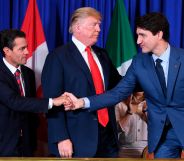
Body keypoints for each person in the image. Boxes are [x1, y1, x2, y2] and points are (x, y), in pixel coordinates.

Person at [64, 12, 184, 158]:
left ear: (159, 34)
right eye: (137, 35)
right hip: (162, 136)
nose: (138, 41)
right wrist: (82, 102)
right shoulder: (139, 62)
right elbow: (117, 93)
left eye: (143, 35)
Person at [41, 7, 122, 158]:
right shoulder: (58, 57)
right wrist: (61, 137)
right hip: (76, 139)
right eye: (94, 24)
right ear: (78, 27)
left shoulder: (102, 54)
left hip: (108, 137)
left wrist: (145, 75)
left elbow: (119, 85)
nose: (99, 29)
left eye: (99, 24)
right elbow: (52, 101)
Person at [0, 29, 70, 157]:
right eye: (22, 49)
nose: (27, 52)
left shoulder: (28, 73)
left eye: (26, 47)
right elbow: (14, 101)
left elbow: (30, 108)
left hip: (27, 144)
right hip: (4, 144)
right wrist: (52, 101)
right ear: (7, 51)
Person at [115, 91, 147, 157]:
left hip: (147, 150)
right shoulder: (120, 104)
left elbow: (158, 128)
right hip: (124, 149)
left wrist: (146, 111)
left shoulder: (152, 103)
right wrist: (129, 112)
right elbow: (117, 129)